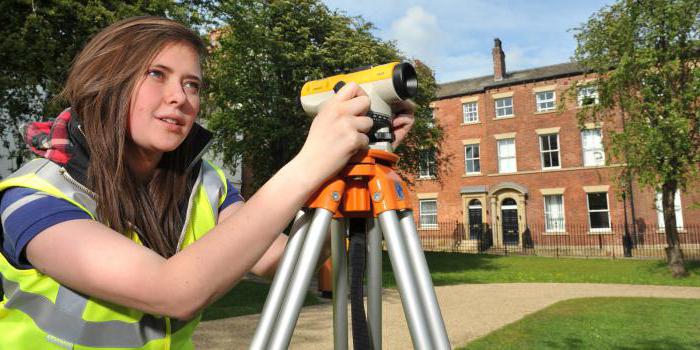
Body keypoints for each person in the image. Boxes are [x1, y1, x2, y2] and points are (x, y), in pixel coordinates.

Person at [0, 16, 415, 349]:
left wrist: (342, 168)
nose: (180, 97)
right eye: (156, 74)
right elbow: (172, 291)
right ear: (104, 84)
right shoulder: (35, 198)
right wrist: (310, 162)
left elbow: (279, 262)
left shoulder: (204, 182)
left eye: (191, 84)